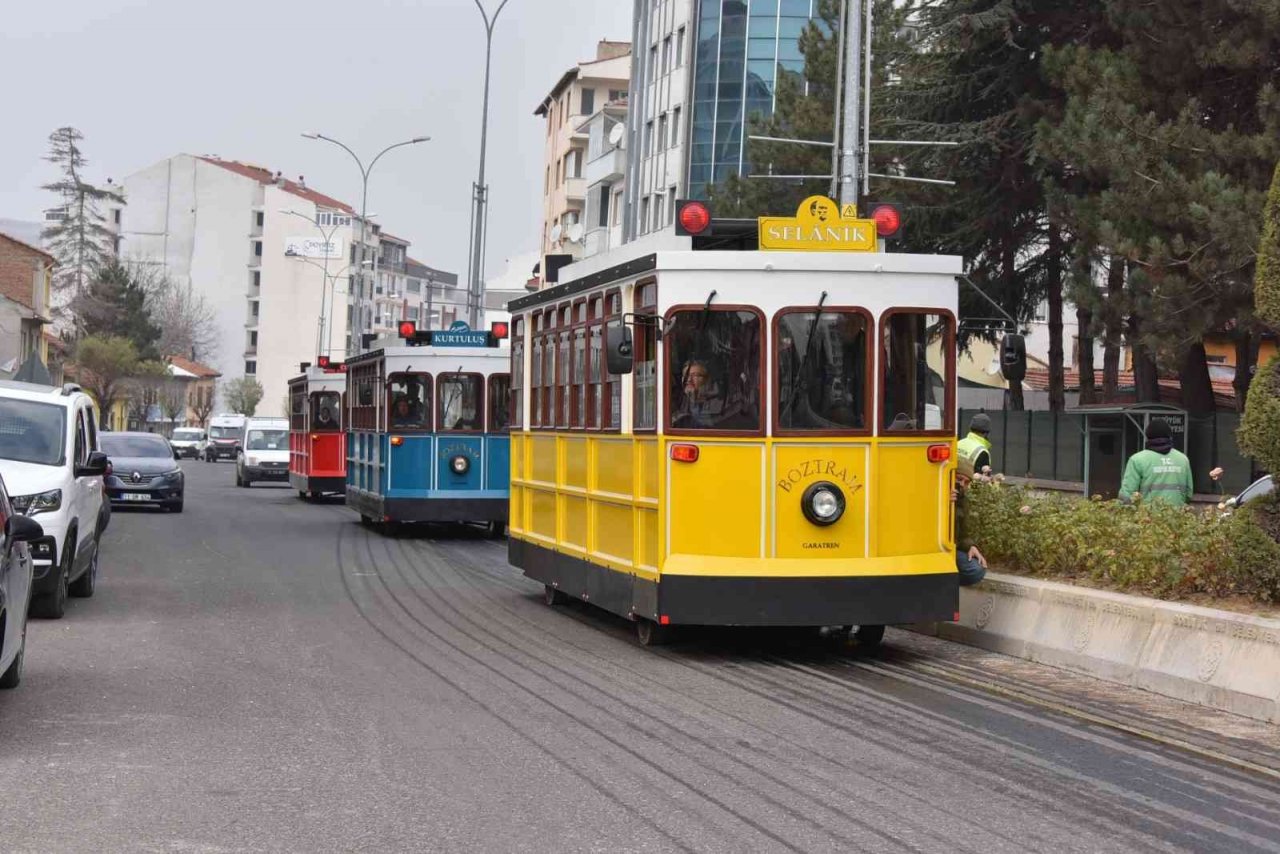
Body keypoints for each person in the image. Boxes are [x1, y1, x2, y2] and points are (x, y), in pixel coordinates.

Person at [1120, 419, 1194, 506]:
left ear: (1148, 436)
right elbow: (1189, 494)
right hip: (1176, 516)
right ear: (1169, 436)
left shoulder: (1137, 460)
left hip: (1147, 517)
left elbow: (1127, 494)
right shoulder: (1182, 459)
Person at [953, 457, 988, 586]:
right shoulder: (936, 494)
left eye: (966, 482)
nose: (962, 484)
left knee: (976, 570)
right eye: (958, 479)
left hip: (951, 551)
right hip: (932, 551)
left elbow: (963, 534)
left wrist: (970, 546)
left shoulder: (962, 500)